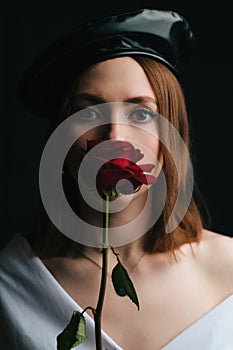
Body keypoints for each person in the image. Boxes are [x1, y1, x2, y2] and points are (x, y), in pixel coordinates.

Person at [1, 7, 233, 350]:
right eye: (88, 112)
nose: (114, 136)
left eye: (140, 113)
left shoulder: (228, 269)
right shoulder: (11, 284)